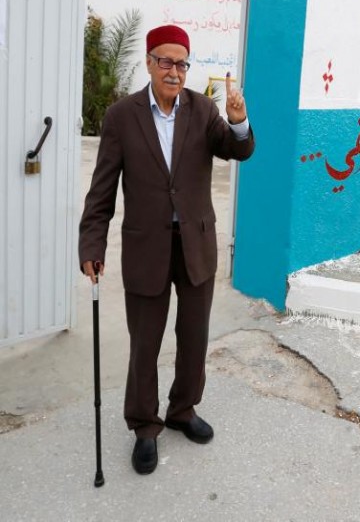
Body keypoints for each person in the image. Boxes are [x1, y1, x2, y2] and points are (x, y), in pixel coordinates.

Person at [79, 25, 255, 474]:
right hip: (146, 246)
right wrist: (91, 244)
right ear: (149, 62)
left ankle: (182, 410)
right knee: (145, 343)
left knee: (194, 337)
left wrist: (238, 120)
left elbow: (240, 150)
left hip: (195, 243)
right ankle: (144, 425)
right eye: (165, 61)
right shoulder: (121, 117)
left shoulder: (203, 110)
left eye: (181, 63)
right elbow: (102, 191)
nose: (174, 71)